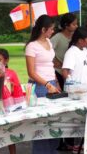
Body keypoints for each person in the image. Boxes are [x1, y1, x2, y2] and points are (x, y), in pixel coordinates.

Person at [25, 15, 60, 154]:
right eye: (51, 29)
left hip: (51, 83)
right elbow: (31, 72)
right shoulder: (32, 46)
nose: (53, 31)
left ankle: (52, 150)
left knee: (55, 121)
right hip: (38, 87)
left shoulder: (49, 42)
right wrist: (46, 84)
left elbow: (50, 65)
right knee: (41, 124)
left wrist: (55, 82)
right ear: (43, 29)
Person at [61, 27, 87, 154]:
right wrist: (72, 85)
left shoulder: (85, 50)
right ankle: (75, 145)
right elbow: (65, 71)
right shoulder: (71, 52)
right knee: (78, 120)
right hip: (78, 93)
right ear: (80, 40)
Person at [0, 48, 22, 154]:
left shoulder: (11, 73)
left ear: (6, 60)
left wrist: (12, 87)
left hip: (9, 108)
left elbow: (17, 90)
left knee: (10, 132)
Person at [51, 13, 78, 90]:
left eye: (76, 24)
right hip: (59, 72)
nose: (76, 26)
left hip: (70, 73)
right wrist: (54, 61)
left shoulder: (75, 37)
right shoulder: (58, 37)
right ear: (66, 25)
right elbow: (47, 50)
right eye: (74, 24)